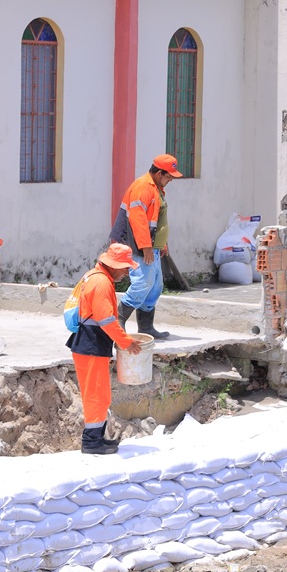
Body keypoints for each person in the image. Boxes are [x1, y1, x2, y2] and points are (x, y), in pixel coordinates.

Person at [66, 243, 143, 455]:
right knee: (95, 395)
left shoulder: (95, 277)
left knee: (101, 394)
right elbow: (106, 320)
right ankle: (92, 442)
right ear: (115, 265)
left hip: (91, 343)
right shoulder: (101, 283)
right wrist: (126, 342)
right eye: (125, 267)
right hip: (91, 344)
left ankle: (97, 438)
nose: (127, 272)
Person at [108, 153, 183, 339]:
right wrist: (146, 246)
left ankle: (146, 327)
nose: (171, 180)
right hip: (139, 246)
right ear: (159, 173)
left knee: (155, 286)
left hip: (152, 246)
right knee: (142, 284)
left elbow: (156, 219)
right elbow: (138, 219)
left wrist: (161, 243)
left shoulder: (156, 188)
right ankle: (118, 320)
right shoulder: (143, 187)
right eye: (169, 176)